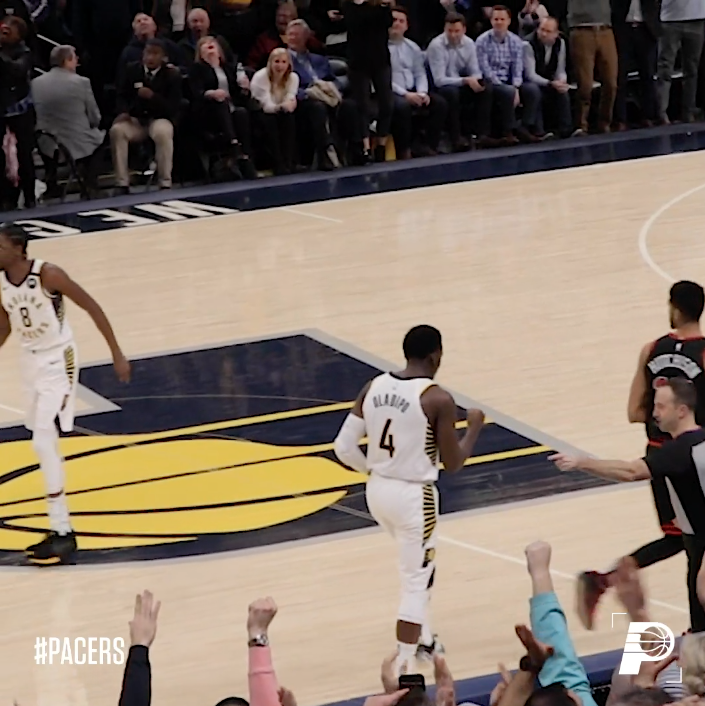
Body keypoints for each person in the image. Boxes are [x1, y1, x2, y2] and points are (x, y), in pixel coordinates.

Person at [333, 324, 486, 675]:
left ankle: (426, 639)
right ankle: (405, 666)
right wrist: (474, 427)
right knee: (414, 581)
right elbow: (454, 463)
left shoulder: (373, 386)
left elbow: (343, 447)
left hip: (378, 492)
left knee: (419, 567)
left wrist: (373, 471)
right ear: (436, 355)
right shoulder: (437, 399)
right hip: (414, 497)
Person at [575, 281, 705, 631]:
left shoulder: (651, 349)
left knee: (683, 539)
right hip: (694, 457)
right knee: (692, 541)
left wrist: (661, 415)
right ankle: (698, 631)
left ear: (674, 308)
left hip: (660, 455)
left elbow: (634, 412)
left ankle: (604, 580)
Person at [0, 223, 131, 564]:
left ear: (19, 249)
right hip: (29, 361)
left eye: (0, 247)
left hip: (58, 358)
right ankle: (59, 530)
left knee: (43, 439)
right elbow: (5, 326)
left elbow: (92, 307)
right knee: (40, 437)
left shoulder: (48, 274)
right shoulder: (1, 282)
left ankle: (63, 531)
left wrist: (117, 352)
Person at [551, 377, 705, 633]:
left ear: (681, 410)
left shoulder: (678, 452)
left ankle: (603, 580)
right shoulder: (691, 445)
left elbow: (631, 471)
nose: (654, 413)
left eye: (661, 407)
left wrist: (582, 463)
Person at [250, 48, 298, 175]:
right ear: (270, 63)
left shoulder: (293, 77)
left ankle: (288, 163)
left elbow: (290, 97)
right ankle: (278, 163)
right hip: (260, 111)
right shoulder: (261, 77)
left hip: (280, 110)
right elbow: (266, 105)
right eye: (276, 61)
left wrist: (289, 104)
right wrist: (282, 106)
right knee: (271, 120)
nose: (280, 66)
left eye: (283, 62)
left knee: (288, 118)